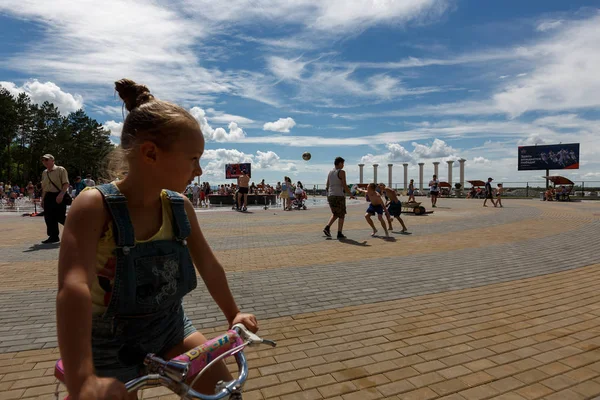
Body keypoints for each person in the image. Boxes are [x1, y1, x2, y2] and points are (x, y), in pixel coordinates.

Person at [56, 79, 257, 400]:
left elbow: (208, 264)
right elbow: (73, 288)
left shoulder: (179, 207)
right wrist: (83, 380)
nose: (200, 170)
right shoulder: (94, 206)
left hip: (170, 325)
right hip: (107, 343)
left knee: (225, 391)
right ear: (150, 153)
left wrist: (232, 313)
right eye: (193, 158)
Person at [323, 157, 355, 239]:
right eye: (343, 163)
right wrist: (350, 194)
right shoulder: (341, 172)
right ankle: (339, 233)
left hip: (331, 195)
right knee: (341, 215)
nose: (343, 165)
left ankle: (327, 228)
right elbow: (344, 185)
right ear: (340, 163)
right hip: (339, 195)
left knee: (335, 213)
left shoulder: (330, 172)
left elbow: (327, 185)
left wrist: (328, 195)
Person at [41, 154, 69, 243]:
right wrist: (43, 199)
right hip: (48, 196)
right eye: (43, 160)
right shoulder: (44, 172)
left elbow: (65, 184)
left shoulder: (60, 169)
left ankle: (76, 229)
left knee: (60, 217)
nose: (44, 162)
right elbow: (44, 188)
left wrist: (61, 195)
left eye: (46, 160)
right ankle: (53, 236)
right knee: (49, 217)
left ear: (53, 161)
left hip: (58, 195)